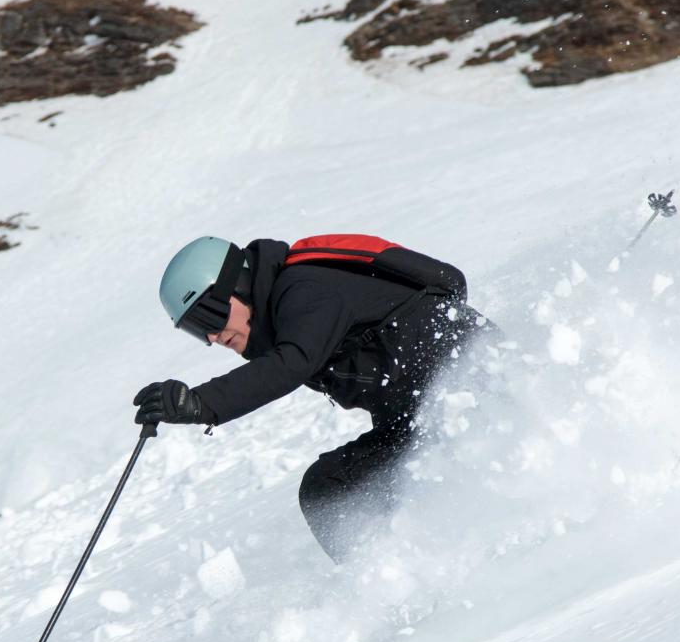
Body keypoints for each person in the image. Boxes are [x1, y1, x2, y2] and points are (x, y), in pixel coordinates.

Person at [133, 236, 495, 561]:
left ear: (238, 284)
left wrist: (201, 402)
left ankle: (472, 556)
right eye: (196, 330)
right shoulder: (283, 321)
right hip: (420, 417)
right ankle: (389, 580)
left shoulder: (305, 289)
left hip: (472, 389)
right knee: (327, 489)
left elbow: (291, 363)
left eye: (207, 315)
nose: (211, 336)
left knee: (354, 482)